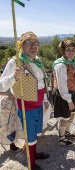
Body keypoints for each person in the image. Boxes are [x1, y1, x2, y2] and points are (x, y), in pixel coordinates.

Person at [0, 31, 50, 170]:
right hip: (26, 106)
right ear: (21, 45)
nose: (33, 46)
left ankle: (34, 154)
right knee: (30, 135)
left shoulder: (38, 60)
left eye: (36, 43)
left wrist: (45, 99)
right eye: (29, 43)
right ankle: (31, 164)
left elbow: (41, 82)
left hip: (39, 104)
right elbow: (1, 84)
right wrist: (14, 77)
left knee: (35, 133)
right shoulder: (14, 62)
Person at [52, 39, 75, 147]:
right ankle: (61, 139)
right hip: (63, 94)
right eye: (68, 49)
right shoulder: (60, 65)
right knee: (64, 117)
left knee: (72, 114)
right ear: (63, 50)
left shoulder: (72, 61)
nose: (71, 52)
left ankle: (67, 133)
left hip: (72, 92)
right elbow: (62, 85)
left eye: (73, 49)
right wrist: (68, 100)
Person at [0, 68, 24, 152]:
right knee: (4, 125)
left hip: (10, 103)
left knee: (11, 124)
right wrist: (7, 94)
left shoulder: (7, 77)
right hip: (3, 104)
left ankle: (12, 144)